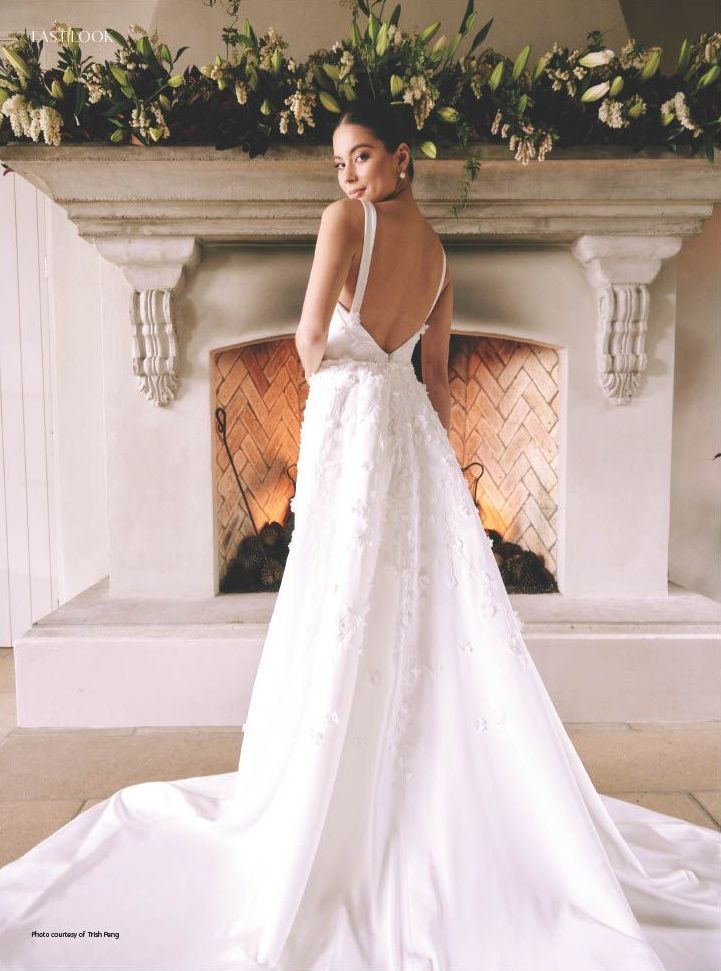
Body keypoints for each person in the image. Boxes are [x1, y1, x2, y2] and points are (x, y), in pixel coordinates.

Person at [0, 98, 718, 971]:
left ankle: (341, 782)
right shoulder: (441, 255)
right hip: (412, 425)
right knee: (414, 594)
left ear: (401, 157)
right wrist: (425, 444)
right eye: (340, 161)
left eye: (362, 156)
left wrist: (341, 400)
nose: (347, 175)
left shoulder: (345, 222)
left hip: (350, 410)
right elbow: (442, 377)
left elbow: (307, 337)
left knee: (339, 591)